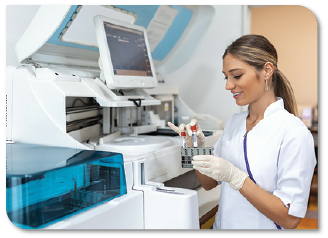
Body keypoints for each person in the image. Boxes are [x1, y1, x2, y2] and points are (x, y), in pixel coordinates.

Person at [168, 34, 316, 229]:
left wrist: (236, 177)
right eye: (226, 77)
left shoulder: (294, 133)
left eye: (236, 76)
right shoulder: (234, 123)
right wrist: (193, 148)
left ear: (266, 71)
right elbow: (209, 183)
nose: (228, 85)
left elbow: (289, 218)